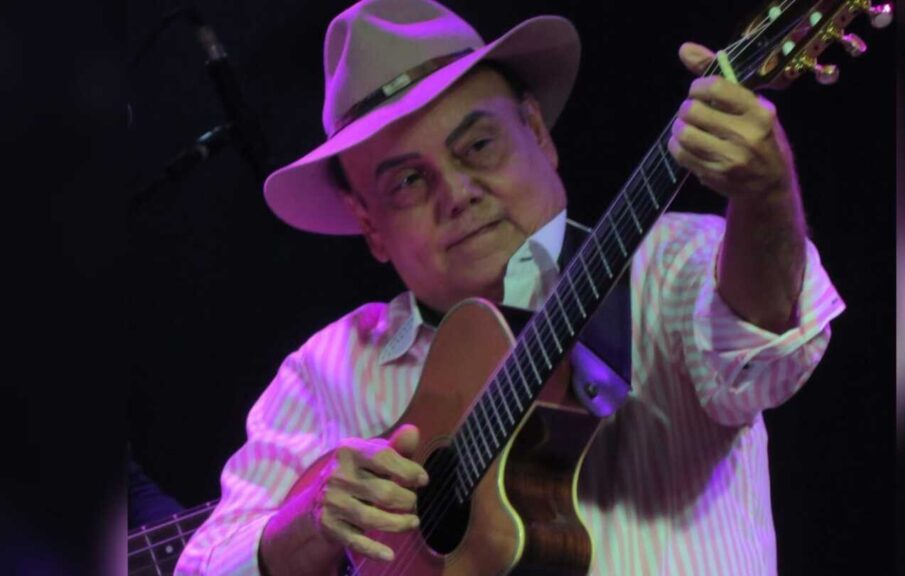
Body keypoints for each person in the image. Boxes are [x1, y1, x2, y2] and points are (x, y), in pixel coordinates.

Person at [176, 0, 846, 573]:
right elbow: (203, 562)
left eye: (478, 146)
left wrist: (765, 194)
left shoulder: (677, 262)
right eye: (408, 181)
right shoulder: (326, 370)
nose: (457, 193)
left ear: (536, 133)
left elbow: (766, 364)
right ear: (369, 225)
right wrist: (308, 520)